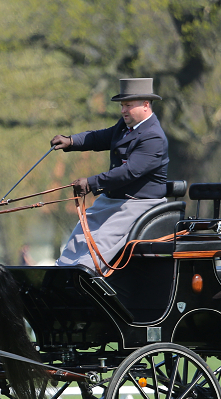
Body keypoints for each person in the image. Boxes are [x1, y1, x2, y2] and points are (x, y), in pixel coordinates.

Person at [50, 77, 169, 271]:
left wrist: (91, 183)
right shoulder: (125, 126)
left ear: (146, 105)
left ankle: (83, 282)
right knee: (79, 237)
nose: (123, 110)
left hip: (137, 204)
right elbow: (100, 137)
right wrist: (71, 141)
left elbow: (128, 172)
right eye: (122, 105)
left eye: (128, 105)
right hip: (112, 200)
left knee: (99, 243)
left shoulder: (153, 136)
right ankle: (61, 275)